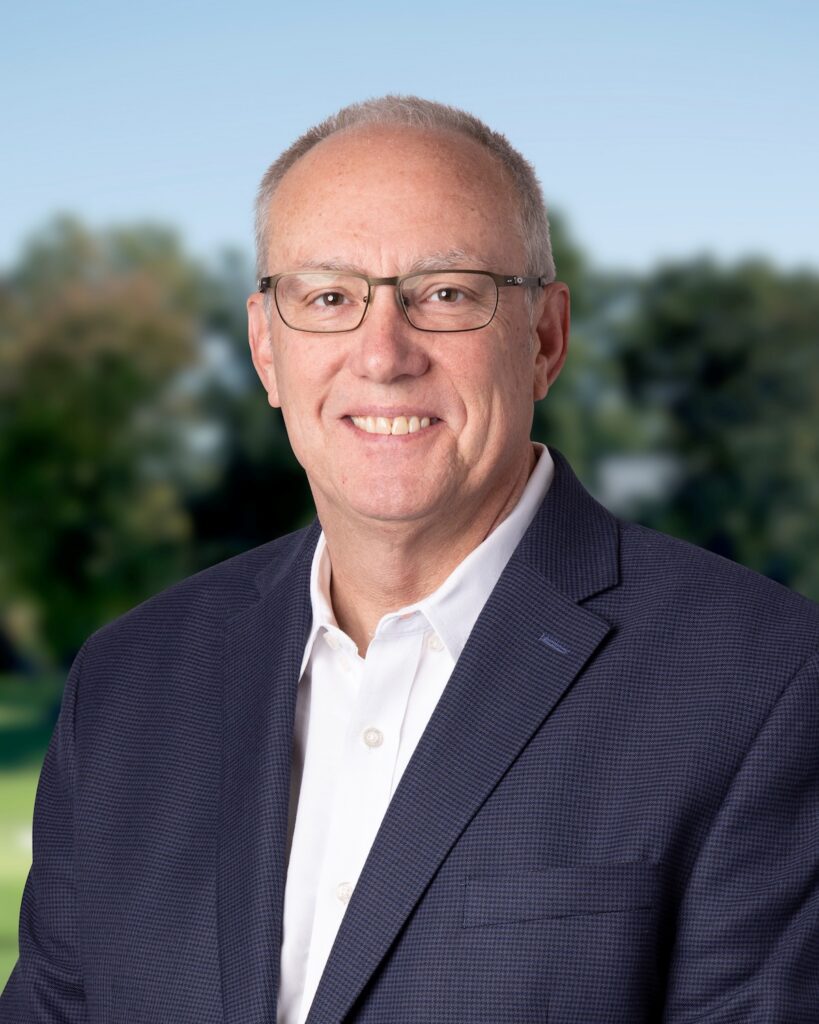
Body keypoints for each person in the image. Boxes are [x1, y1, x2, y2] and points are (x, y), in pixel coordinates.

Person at [2, 96, 818, 1024]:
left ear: (544, 338)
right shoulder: (128, 682)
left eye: (446, 293)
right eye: (328, 298)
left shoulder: (767, 682)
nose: (382, 355)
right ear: (267, 349)